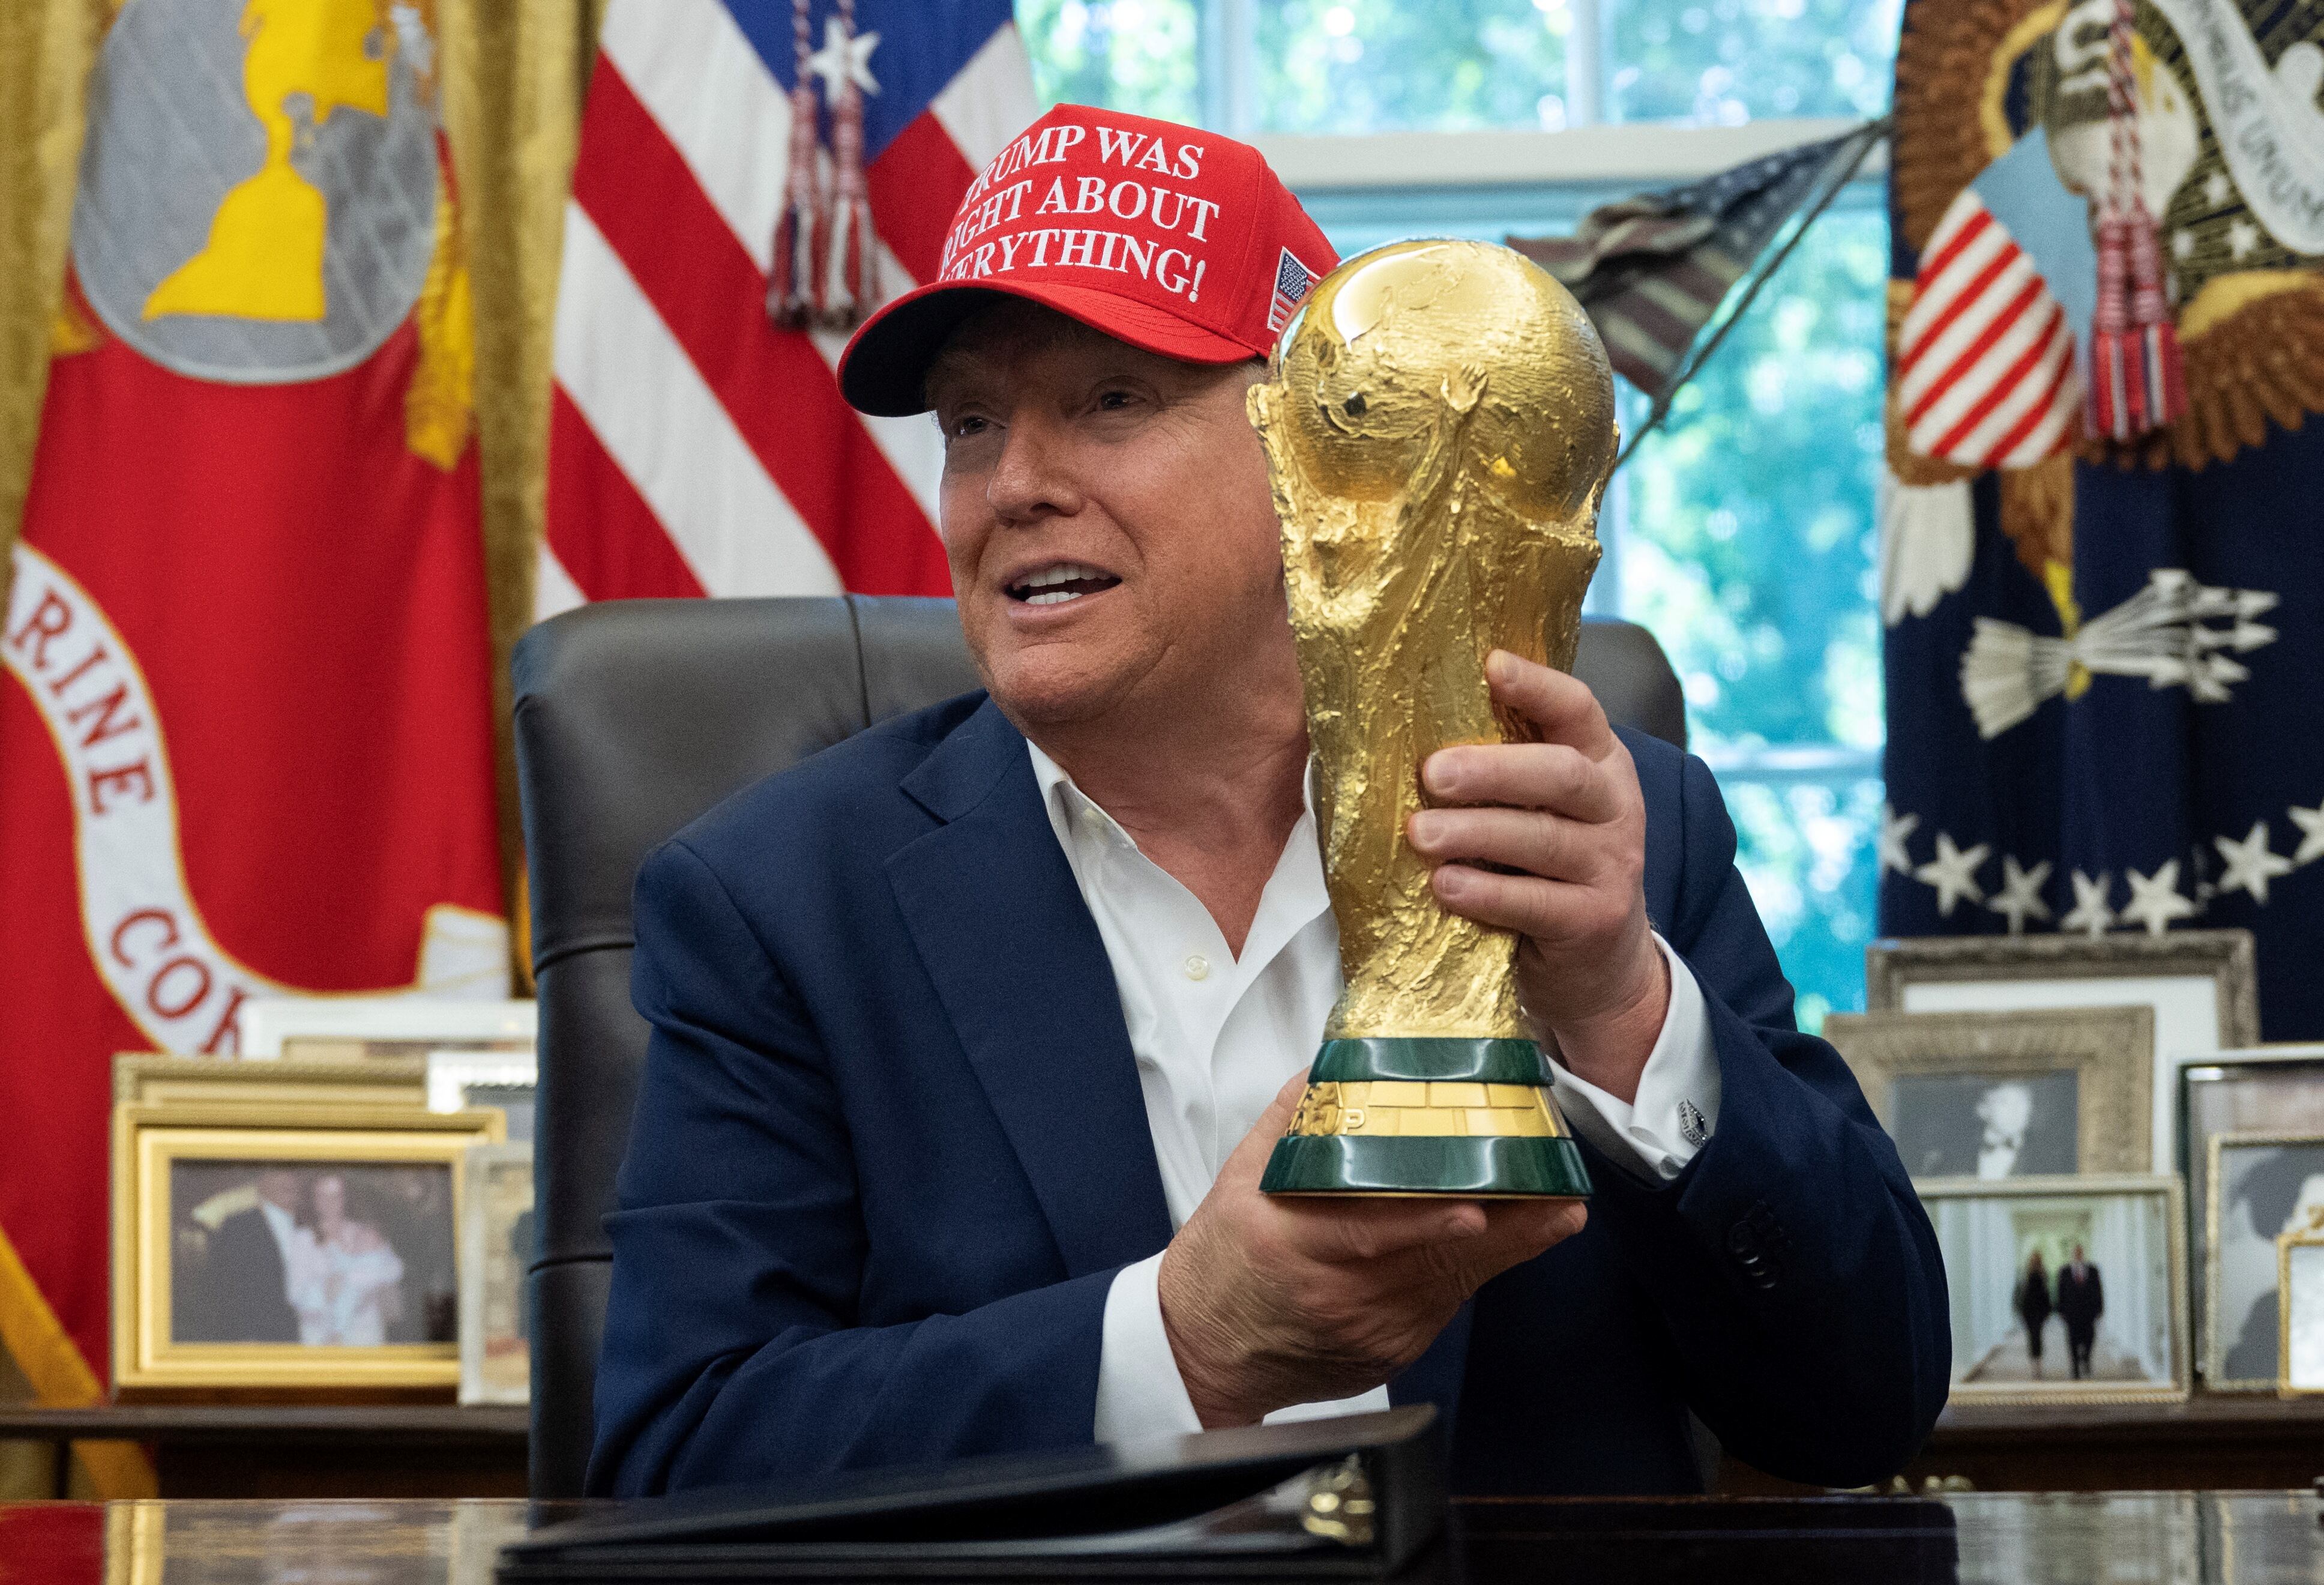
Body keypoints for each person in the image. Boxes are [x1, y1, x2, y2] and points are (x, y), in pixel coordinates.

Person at [589, 104, 1950, 1499]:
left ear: (1319, 459)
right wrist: (1188, 1346)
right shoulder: (778, 898)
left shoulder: (1604, 836)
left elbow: (1864, 1406)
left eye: (1110, 401)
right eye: (971, 425)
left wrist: (1623, 1014)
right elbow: (679, 1457)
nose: (1015, 487)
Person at [176, 1168, 304, 1344]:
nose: (289, 1180)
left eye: (293, 1173)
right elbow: (220, 1290)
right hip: (256, 1341)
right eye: (278, 1172)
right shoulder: (238, 1227)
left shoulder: (315, 1224)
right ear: (261, 1180)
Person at [286, 1173, 405, 1347]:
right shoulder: (302, 1239)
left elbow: (395, 1268)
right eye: (322, 1196)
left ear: (345, 1198)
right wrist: (324, 1289)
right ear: (314, 1200)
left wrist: (364, 1278)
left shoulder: (364, 1232)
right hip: (321, 1339)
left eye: (336, 1196)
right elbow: (295, 1295)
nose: (329, 1203)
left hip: (366, 1336)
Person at [2054, 1243, 2103, 1380]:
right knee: (2072, 1340)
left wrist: (2100, 1308)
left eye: (2080, 1252)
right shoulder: (2065, 1271)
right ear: (2072, 1255)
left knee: (2090, 1338)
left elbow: (2099, 1290)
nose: (2078, 1255)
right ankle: (2075, 1367)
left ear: (2083, 1254)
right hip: (2071, 1313)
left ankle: (2086, 1358)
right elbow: (2060, 1292)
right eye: (2076, 1253)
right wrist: (2060, 1310)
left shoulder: (2092, 1270)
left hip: (2089, 1312)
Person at [2017, 1249, 2052, 1379]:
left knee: (2037, 1336)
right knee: (2032, 1337)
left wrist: (2047, 1310)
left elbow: (2046, 1294)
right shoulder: (2025, 1274)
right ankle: (2035, 1364)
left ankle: (2038, 1364)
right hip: (2029, 1310)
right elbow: (2021, 1293)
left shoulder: (2043, 1273)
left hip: (2039, 1311)